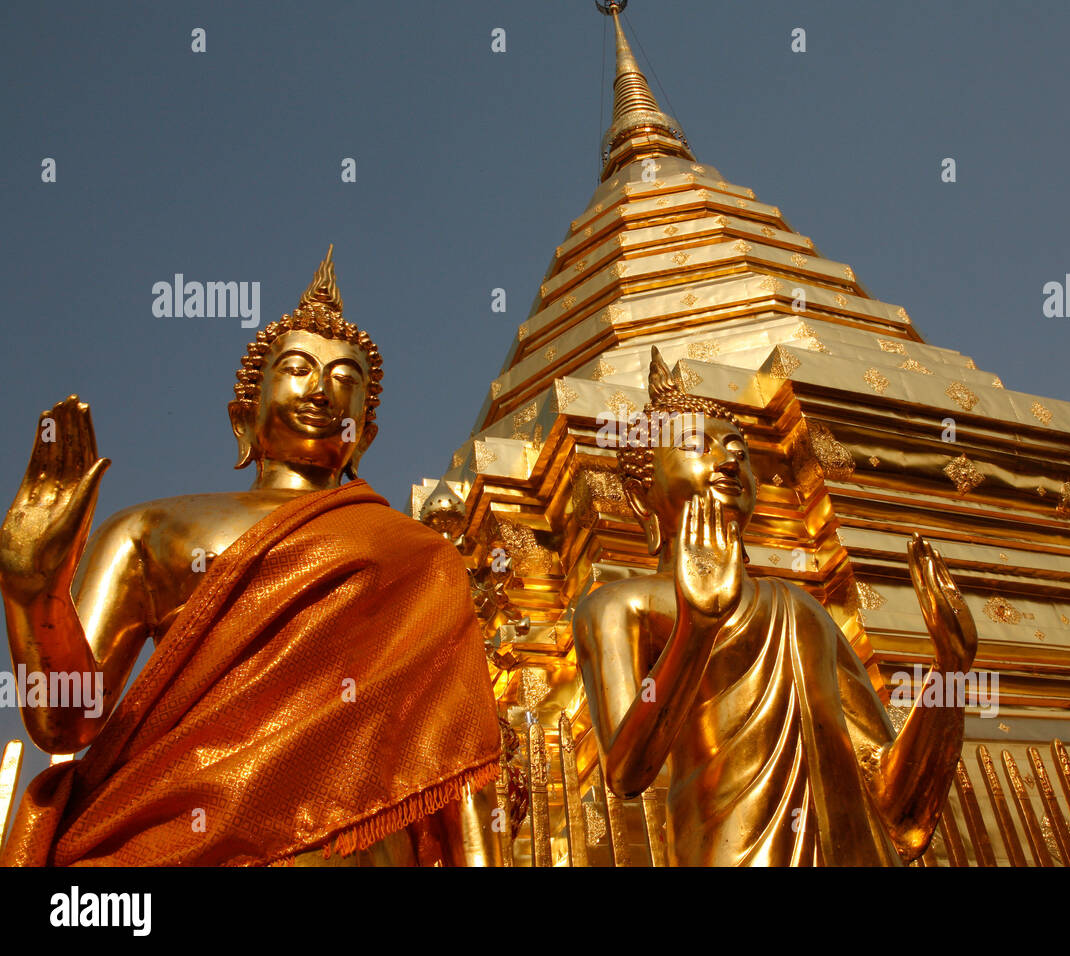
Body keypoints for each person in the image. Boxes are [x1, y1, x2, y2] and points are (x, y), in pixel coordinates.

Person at [0, 247, 501, 866]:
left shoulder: (417, 557)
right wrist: (33, 593)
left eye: (347, 381)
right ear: (244, 413)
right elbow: (64, 724)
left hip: (348, 845)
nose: (322, 389)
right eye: (297, 369)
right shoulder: (152, 528)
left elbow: (453, 763)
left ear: (363, 438)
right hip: (169, 841)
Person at [573, 348, 979, 865]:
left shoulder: (799, 608)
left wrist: (949, 672)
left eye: (738, 450)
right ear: (638, 495)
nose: (728, 461)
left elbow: (895, 805)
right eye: (697, 446)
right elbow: (627, 772)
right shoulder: (618, 606)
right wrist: (696, 630)